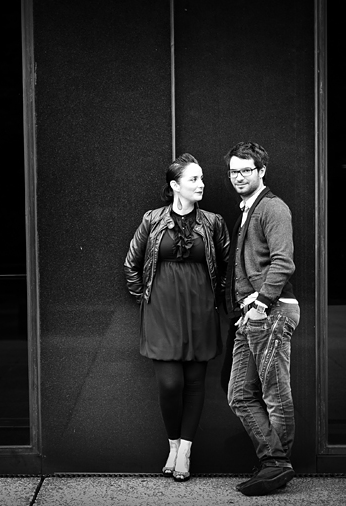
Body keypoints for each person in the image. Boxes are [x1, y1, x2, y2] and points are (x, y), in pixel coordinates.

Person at [124, 153, 229, 482]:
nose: (201, 184)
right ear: (175, 185)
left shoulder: (213, 222)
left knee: (195, 384)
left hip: (201, 313)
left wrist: (215, 299)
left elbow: (228, 265)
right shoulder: (152, 219)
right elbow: (131, 264)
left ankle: (184, 450)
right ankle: (172, 443)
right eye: (193, 179)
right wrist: (145, 299)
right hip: (161, 314)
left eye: (202, 178)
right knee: (171, 384)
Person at [223, 141, 300, 496]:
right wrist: (246, 310)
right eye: (233, 171)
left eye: (246, 170)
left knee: (274, 393)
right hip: (252, 314)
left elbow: (283, 262)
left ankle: (276, 465)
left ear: (261, 171)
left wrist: (261, 305)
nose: (239, 177)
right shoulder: (247, 210)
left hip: (271, 310)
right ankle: (273, 460)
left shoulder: (272, 208)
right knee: (240, 394)